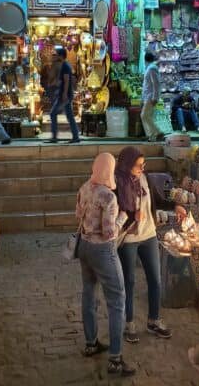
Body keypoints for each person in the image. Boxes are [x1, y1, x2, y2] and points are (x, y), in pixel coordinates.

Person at [115, 147, 187, 343]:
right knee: (128, 282)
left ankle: (154, 320)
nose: (141, 168)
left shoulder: (145, 179)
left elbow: (157, 200)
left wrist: (175, 206)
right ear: (127, 164)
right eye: (138, 165)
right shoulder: (117, 184)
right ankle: (128, 323)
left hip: (148, 235)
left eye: (143, 165)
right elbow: (114, 215)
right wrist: (132, 216)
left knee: (155, 279)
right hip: (128, 239)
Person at [76, 153, 135, 377]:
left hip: (84, 246)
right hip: (103, 251)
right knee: (117, 301)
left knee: (89, 294)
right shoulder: (108, 197)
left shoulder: (85, 188)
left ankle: (91, 343)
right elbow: (109, 231)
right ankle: (116, 359)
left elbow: (77, 214)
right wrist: (122, 217)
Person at [46, 47, 80, 144]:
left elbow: (66, 80)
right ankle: (75, 136)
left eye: (56, 54)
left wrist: (64, 94)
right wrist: (54, 84)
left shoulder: (65, 66)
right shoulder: (64, 65)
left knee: (53, 114)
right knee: (69, 116)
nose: (55, 56)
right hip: (64, 94)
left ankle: (55, 137)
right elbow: (62, 81)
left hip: (64, 95)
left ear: (61, 56)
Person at [141, 52, 162, 142]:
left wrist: (155, 97)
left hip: (150, 97)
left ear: (145, 59)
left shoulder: (152, 69)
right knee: (147, 116)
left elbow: (156, 84)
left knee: (144, 115)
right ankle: (152, 136)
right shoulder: (150, 68)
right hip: (148, 96)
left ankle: (157, 132)